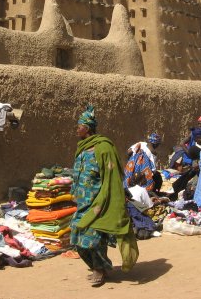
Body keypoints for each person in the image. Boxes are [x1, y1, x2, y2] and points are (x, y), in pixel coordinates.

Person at [70, 105, 138, 287]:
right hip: (82, 203)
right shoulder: (82, 149)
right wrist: (74, 193)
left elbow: (112, 177)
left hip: (98, 202)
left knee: (92, 240)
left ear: (88, 127)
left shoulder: (103, 147)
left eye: (80, 125)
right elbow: (78, 174)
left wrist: (109, 198)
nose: (77, 129)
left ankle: (99, 270)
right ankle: (98, 266)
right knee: (77, 239)